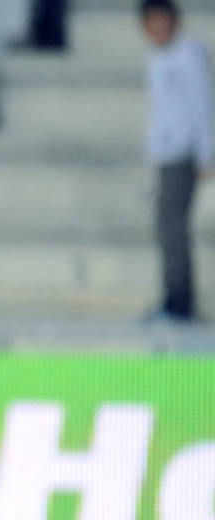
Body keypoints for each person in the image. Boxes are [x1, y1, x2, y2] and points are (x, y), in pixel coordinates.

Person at [140, 0, 211, 322]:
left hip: (183, 155)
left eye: (162, 19)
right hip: (165, 155)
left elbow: (201, 106)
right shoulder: (158, 58)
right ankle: (173, 297)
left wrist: (206, 154)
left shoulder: (188, 57)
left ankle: (179, 302)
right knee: (167, 229)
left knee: (173, 229)